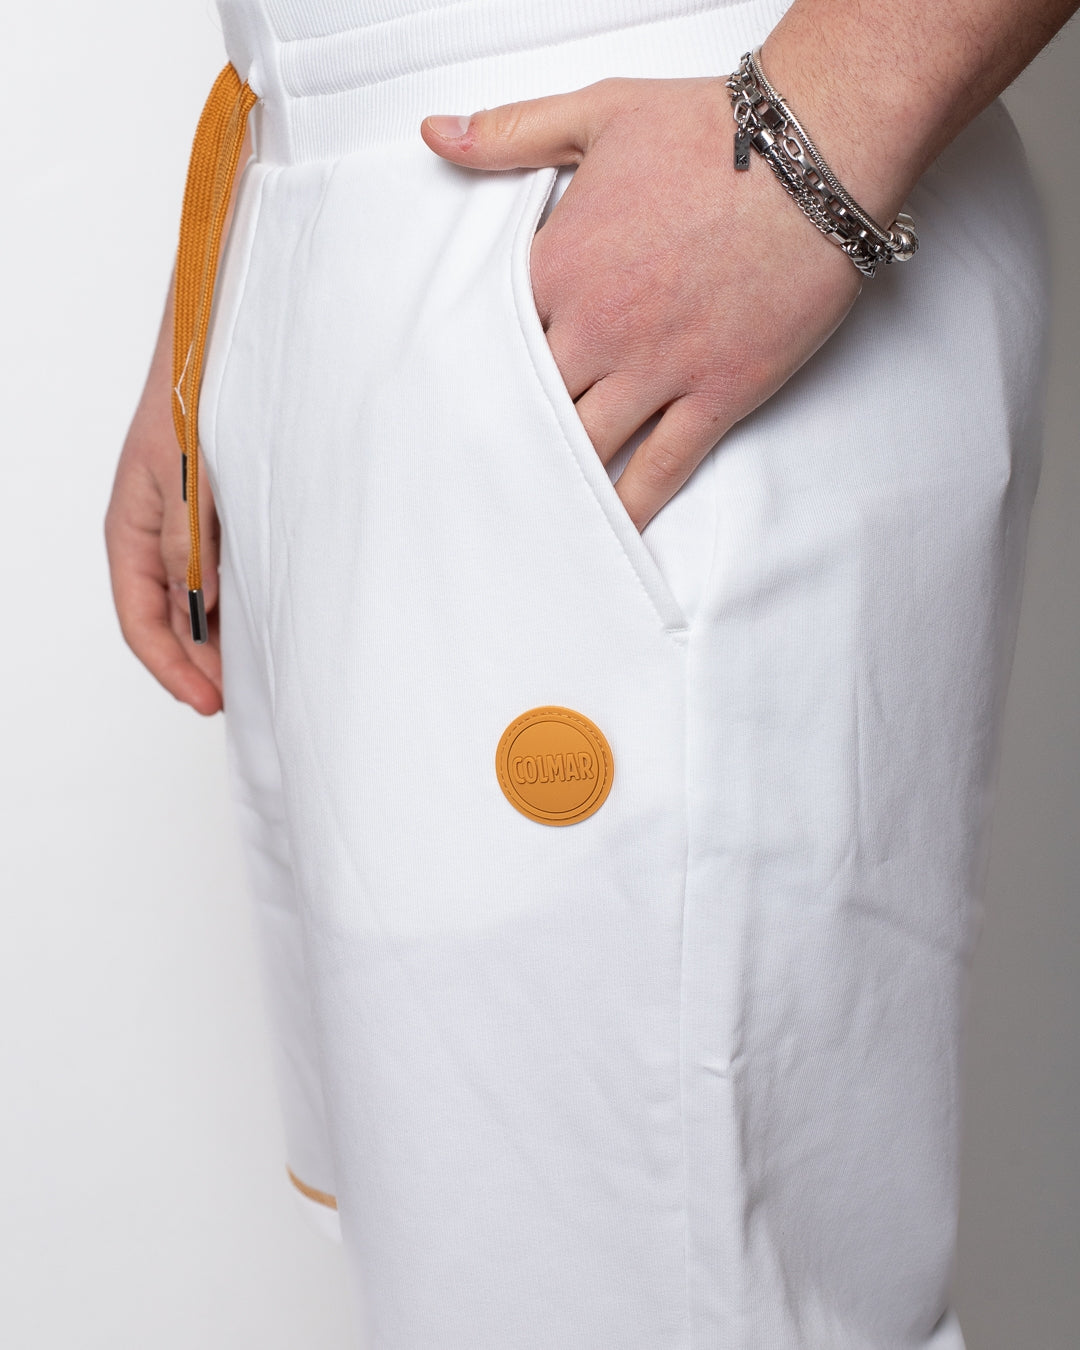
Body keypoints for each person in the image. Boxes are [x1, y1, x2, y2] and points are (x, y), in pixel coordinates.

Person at [104, 0, 1077, 1345]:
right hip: (318, 183)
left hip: (647, 172)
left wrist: (812, 138)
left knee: (639, 1293)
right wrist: (223, 296)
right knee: (476, 1267)